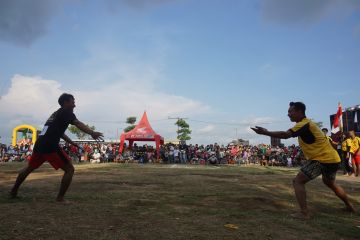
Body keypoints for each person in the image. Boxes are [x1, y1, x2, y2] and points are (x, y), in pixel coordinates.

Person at [251, 102, 355, 219]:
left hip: (322, 159)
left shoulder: (304, 124)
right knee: (330, 184)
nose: (288, 114)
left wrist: (265, 132)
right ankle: (349, 206)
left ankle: (304, 213)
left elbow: (286, 135)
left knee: (298, 181)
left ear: (299, 112)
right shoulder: (306, 124)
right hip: (332, 159)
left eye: (291, 111)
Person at [9, 93, 103, 203]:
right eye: (72, 102)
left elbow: (60, 133)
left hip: (40, 144)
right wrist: (92, 132)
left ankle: (13, 191)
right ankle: (60, 198)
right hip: (50, 145)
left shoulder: (56, 114)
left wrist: (72, 143)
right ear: (65, 103)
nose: (74, 105)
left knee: (29, 168)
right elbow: (77, 123)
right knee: (69, 169)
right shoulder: (66, 112)